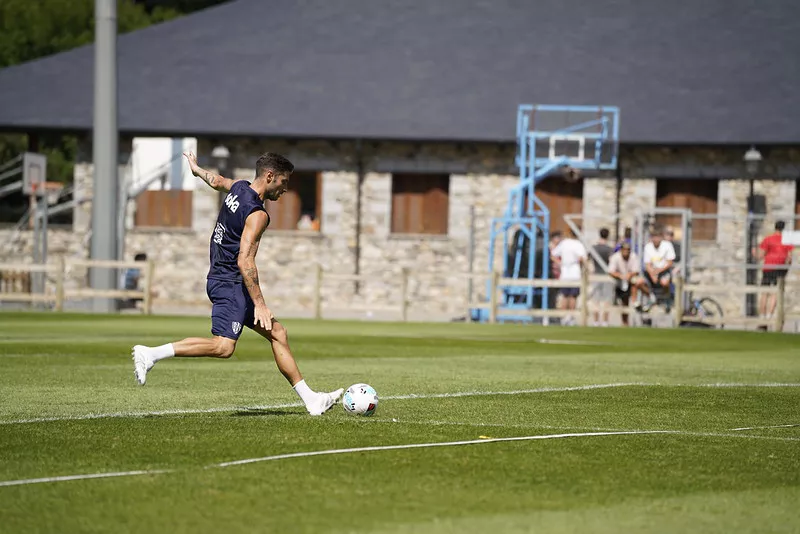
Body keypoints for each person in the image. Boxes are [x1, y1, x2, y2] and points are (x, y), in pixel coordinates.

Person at [131, 152, 343, 416]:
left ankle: (311, 400)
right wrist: (260, 305)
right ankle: (150, 353)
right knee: (223, 347)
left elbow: (218, 181)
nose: (285, 189)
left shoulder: (241, 187)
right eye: (284, 182)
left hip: (226, 279)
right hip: (230, 283)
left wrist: (198, 170)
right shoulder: (257, 214)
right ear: (269, 176)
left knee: (279, 334)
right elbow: (245, 261)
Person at [755, 221, 794, 319]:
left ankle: (762, 317)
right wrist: (787, 268)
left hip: (768, 267)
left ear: (775, 227)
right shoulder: (787, 240)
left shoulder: (768, 239)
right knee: (775, 293)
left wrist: (754, 254)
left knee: (765, 292)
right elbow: (789, 258)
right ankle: (769, 316)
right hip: (780, 268)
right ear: (783, 229)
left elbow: (760, 256)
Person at [551, 229, 587, 326]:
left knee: (565, 296)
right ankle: (570, 317)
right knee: (573, 297)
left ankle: (564, 317)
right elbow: (582, 258)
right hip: (575, 273)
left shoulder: (564, 243)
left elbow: (553, 254)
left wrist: (560, 263)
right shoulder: (578, 244)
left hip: (565, 273)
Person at [640, 226, 676, 310]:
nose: (655, 239)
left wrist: (657, 271)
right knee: (639, 282)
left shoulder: (667, 245)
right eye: (653, 237)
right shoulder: (648, 247)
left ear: (661, 237)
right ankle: (651, 297)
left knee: (665, 282)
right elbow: (647, 264)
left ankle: (666, 299)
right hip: (651, 272)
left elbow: (670, 262)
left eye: (657, 237)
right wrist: (652, 274)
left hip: (663, 271)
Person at [608, 242, 643, 326]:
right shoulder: (615, 257)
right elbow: (611, 271)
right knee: (624, 302)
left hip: (630, 281)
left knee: (637, 281)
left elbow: (636, 271)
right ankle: (624, 322)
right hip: (618, 282)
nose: (626, 251)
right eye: (625, 249)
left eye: (628, 250)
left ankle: (636, 301)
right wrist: (620, 276)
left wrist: (629, 275)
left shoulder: (633, 256)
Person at [590, 228, 614, 327]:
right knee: (606, 299)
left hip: (596, 274)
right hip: (606, 275)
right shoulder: (609, 249)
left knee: (595, 299)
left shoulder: (594, 248)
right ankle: (605, 321)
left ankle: (596, 321)